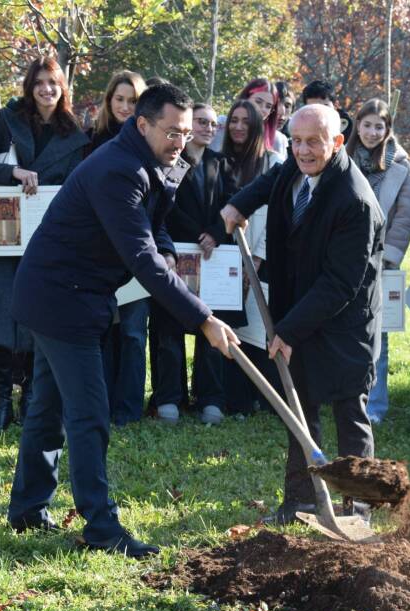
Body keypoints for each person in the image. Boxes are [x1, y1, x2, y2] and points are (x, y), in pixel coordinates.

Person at [6, 83, 238, 556]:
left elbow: (153, 228)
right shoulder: (119, 169)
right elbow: (141, 259)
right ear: (143, 124)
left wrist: (169, 249)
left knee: (48, 408)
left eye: (187, 133)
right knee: (90, 414)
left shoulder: (148, 163)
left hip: (69, 295)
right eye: (171, 132)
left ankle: (28, 509)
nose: (180, 142)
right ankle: (101, 528)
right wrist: (204, 319)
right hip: (60, 299)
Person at [221, 104, 384, 524]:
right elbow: (271, 179)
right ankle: (300, 500)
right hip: (298, 305)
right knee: (299, 404)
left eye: (314, 142)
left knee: (349, 411)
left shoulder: (354, 199)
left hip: (345, 321)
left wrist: (287, 330)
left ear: (337, 142)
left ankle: (357, 506)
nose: (304, 150)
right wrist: (239, 204)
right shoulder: (295, 169)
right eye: (296, 141)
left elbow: (339, 284)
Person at [0, 57, 89, 433]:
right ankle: (1, 402)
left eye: (52, 83)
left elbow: (80, 186)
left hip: (50, 238)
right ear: (29, 86)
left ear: (62, 87)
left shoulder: (75, 132)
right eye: (39, 83)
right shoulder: (10, 119)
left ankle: (31, 398)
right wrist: (13, 173)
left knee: (41, 316)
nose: (45, 90)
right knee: (1, 315)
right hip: (4, 233)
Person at [152, 102, 237, 425]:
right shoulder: (177, 162)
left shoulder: (220, 162)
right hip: (177, 253)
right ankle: (170, 398)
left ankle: (210, 400)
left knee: (210, 330)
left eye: (213, 124)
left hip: (212, 257)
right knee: (171, 329)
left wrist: (216, 233)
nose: (207, 128)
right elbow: (166, 204)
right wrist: (196, 233)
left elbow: (232, 202)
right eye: (201, 121)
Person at [85, 70, 152, 426]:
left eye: (133, 101)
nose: (126, 107)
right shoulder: (91, 142)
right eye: (119, 99)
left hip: (137, 251)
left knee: (132, 333)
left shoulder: (151, 147)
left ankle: (128, 410)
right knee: (102, 332)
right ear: (109, 101)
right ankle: (103, 406)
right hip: (98, 253)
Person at [345, 98, 410, 424]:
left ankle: (375, 405)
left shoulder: (400, 165)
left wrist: (391, 257)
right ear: (357, 125)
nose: (373, 132)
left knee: (378, 336)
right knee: (342, 331)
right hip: (344, 259)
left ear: (388, 129)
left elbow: (405, 216)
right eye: (367, 124)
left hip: (381, 262)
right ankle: (344, 397)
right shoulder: (341, 159)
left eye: (379, 126)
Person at [220, 99, 285, 417]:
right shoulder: (220, 161)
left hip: (260, 257)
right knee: (234, 329)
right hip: (225, 257)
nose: (239, 126)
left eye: (246, 121)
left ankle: (267, 398)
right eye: (234, 120)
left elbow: (274, 214)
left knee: (260, 329)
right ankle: (236, 400)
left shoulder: (272, 162)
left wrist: (256, 259)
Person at [237, 78, 288, 157]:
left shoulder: (278, 140)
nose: (263, 109)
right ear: (245, 98)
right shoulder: (221, 125)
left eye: (268, 106)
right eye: (258, 102)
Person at [301, 80, 355, 144]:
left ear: (335, 105)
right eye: (313, 109)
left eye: (325, 107)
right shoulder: (298, 130)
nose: (320, 114)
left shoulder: (352, 134)